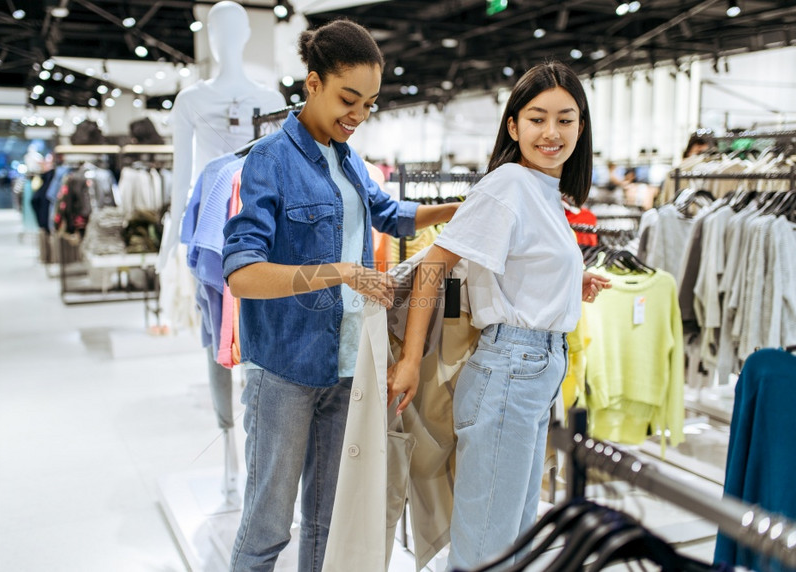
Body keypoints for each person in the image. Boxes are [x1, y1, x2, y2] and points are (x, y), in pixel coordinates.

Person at [221, 19, 459, 571]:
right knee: (267, 526)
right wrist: (338, 272)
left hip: (347, 365)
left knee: (328, 524)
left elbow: (392, 216)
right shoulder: (268, 160)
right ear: (312, 83)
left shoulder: (349, 158)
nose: (358, 115)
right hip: (283, 370)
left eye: (370, 104)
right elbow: (242, 273)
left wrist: (460, 208)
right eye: (348, 99)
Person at [387, 61, 611, 570]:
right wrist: (408, 360)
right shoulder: (508, 182)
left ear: (582, 126)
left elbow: (504, 263)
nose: (551, 132)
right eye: (536, 118)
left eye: (565, 119)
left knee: (506, 538)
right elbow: (435, 267)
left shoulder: (546, 191)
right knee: (488, 545)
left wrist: (567, 282)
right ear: (513, 125)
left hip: (532, 372)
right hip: (512, 367)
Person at [156, 1, 286, 511]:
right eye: (215, 26)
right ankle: (229, 448)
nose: (223, 36)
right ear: (207, 34)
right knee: (215, 335)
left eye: (233, 26)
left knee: (259, 334)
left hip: (261, 222)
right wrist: (170, 238)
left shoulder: (271, 96)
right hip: (210, 223)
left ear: (247, 32)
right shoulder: (190, 99)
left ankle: (258, 453)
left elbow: (282, 165)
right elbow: (182, 172)